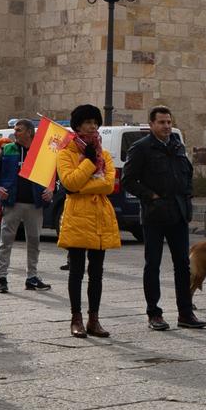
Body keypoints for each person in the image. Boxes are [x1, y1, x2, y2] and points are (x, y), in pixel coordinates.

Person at [125, 106, 204, 330]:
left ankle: (186, 313)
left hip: (178, 213)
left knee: (182, 265)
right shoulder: (141, 148)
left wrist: (187, 194)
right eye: (161, 122)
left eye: (169, 122)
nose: (167, 126)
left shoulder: (177, 146)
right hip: (154, 215)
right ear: (151, 125)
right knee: (153, 265)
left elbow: (187, 173)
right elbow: (128, 180)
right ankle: (154, 313)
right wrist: (151, 196)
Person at [58, 103, 121, 338]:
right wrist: (87, 162)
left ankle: (94, 318)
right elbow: (69, 183)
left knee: (97, 272)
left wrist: (83, 184)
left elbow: (108, 184)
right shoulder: (66, 153)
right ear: (77, 126)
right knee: (76, 270)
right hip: (77, 217)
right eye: (87, 123)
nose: (92, 127)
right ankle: (76, 318)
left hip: (99, 217)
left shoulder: (103, 154)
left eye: (95, 123)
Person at [0, 118, 49, 295]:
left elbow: (52, 176)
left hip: (34, 203)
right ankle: (2, 278)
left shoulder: (41, 152)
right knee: (6, 241)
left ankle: (32, 277)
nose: (14, 133)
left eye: (18, 130)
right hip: (12, 202)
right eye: (15, 130)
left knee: (34, 241)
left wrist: (51, 190)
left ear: (30, 132)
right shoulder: (8, 149)